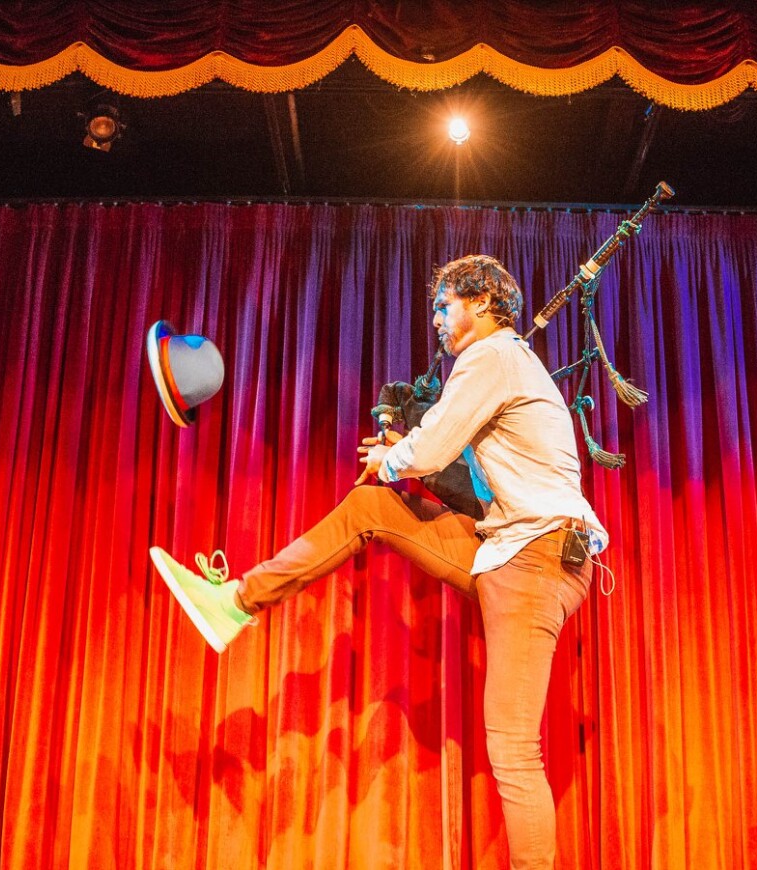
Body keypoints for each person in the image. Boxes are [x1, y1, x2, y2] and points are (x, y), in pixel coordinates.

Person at [152, 253, 608, 869]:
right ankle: (234, 602)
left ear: (481, 301)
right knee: (371, 508)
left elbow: (436, 445)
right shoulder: (502, 366)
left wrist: (395, 458)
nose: (439, 321)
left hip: (536, 561)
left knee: (513, 750)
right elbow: (465, 478)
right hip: (506, 549)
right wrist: (402, 455)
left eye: (444, 306)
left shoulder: (493, 355)